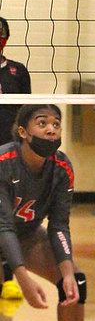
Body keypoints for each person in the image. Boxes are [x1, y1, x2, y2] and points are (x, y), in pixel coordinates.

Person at [0, 103, 95, 321]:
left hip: (27, 234)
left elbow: (59, 225)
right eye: (42, 123)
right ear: (23, 132)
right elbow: (3, 226)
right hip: (4, 231)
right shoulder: (4, 162)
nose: (51, 130)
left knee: (76, 283)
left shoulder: (61, 167)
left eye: (56, 124)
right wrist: (22, 279)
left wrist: (67, 272)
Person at [0, 17, 31, 303]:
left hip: (8, 154)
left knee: (6, 216)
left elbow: (26, 113)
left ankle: (8, 280)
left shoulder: (17, 71)